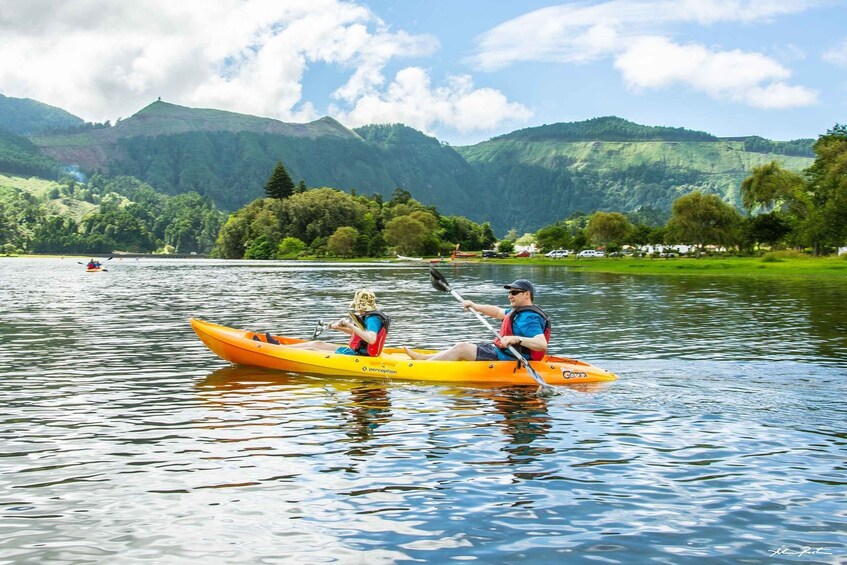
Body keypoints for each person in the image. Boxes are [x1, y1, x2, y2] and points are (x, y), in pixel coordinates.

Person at [405, 279, 550, 362]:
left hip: (511, 358)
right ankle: (424, 358)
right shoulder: (518, 311)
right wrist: (475, 306)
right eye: (509, 292)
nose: (509, 296)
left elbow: (541, 344)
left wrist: (515, 339)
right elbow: (498, 312)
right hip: (501, 351)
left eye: (514, 292)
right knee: (462, 346)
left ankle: (424, 367)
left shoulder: (530, 318)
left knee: (462, 347)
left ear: (526, 294)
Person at [281, 289, 390, 356]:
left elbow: (371, 339)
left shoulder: (373, 319)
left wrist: (349, 324)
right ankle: (280, 347)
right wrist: (338, 328)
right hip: (357, 352)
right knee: (317, 344)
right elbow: (361, 335)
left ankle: (279, 351)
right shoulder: (369, 316)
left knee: (311, 350)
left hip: (361, 356)